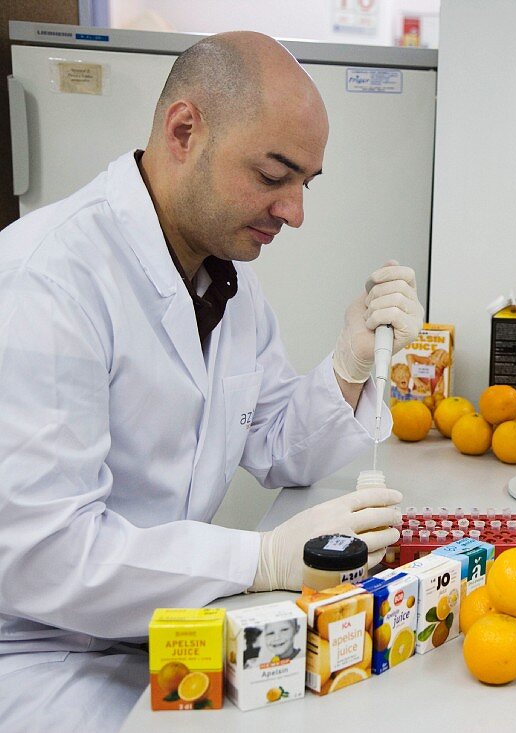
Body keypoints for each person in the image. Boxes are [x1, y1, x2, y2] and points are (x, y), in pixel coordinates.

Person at [0, 32, 424, 731]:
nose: (295, 211)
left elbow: (280, 446)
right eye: (273, 175)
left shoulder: (225, 283)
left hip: (166, 631)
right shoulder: (49, 283)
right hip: (45, 659)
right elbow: (45, 555)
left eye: (305, 185)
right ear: (184, 131)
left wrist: (349, 363)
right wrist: (260, 558)